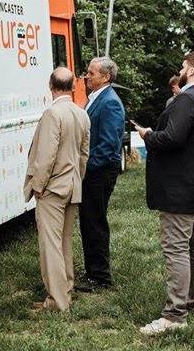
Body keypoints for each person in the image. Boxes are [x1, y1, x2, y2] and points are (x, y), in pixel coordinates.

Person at [134, 51, 194, 336]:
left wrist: (148, 135)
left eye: (182, 66)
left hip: (181, 187)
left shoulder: (187, 99)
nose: (181, 69)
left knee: (176, 248)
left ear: (189, 70)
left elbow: (173, 137)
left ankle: (175, 314)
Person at [23, 67, 90, 312]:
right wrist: (77, 179)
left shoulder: (52, 113)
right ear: (73, 86)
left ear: (50, 85)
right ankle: (66, 291)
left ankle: (57, 301)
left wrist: (37, 186)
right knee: (65, 242)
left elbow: (46, 156)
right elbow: (84, 154)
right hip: (72, 186)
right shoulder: (82, 113)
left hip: (52, 189)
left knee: (50, 245)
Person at [76, 57, 125, 292]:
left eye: (91, 73)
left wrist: (83, 169)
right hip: (94, 170)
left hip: (100, 172)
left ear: (105, 77)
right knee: (88, 220)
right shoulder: (96, 98)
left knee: (94, 221)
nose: (86, 76)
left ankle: (100, 277)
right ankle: (92, 270)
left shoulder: (110, 103)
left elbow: (107, 146)